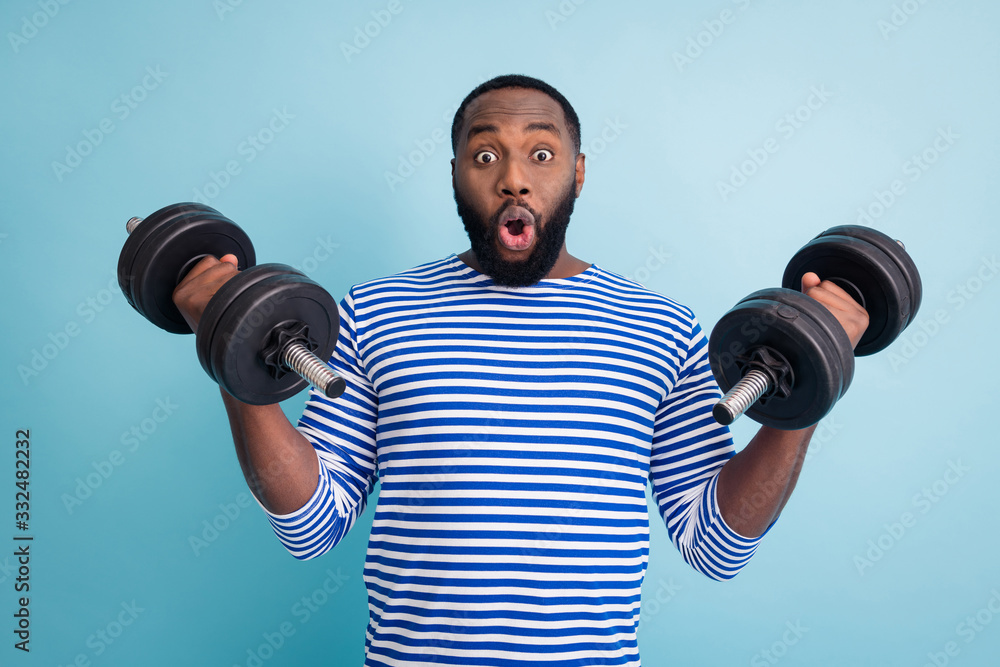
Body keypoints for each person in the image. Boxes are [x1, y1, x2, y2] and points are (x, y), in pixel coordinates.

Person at [173, 74, 868, 666]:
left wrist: (807, 390)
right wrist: (233, 354)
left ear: (578, 171)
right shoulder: (375, 311)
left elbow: (714, 546)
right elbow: (311, 526)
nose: (512, 178)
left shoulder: (663, 328)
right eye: (484, 155)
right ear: (454, 173)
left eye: (540, 152)